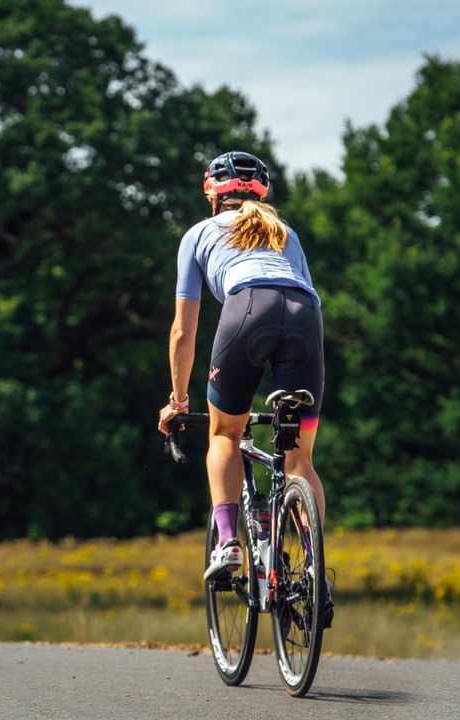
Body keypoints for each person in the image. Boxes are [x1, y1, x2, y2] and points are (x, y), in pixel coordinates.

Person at [157, 151, 326, 586]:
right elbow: (304, 288)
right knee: (299, 457)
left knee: (224, 433)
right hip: (306, 319)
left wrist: (178, 401)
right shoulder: (285, 232)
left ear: (212, 194)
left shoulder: (198, 234)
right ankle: (314, 569)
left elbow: (182, 331)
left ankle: (228, 542)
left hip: (249, 308)